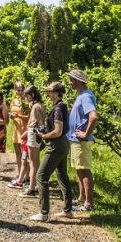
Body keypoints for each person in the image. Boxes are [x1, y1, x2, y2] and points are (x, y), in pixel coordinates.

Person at [29, 81, 74, 222]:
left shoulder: (58, 108)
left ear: (56, 93)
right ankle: (68, 210)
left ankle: (44, 213)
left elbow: (57, 131)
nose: (47, 94)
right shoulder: (60, 106)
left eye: (49, 91)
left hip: (56, 145)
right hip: (63, 144)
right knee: (62, 176)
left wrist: (43, 135)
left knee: (41, 176)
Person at [65, 69, 98, 212]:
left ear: (78, 80)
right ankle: (81, 198)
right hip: (75, 139)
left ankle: (88, 204)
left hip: (81, 141)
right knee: (79, 169)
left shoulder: (86, 96)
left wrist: (85, 133)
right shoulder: (81, 95)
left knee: (84, 170)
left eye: (71, 80)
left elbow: (94, 116)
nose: (69, 82)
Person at [18, 85, 45, 198]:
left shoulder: (35, 107)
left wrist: (39, 133)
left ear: (32, 95)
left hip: (34, 134)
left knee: (33, 162)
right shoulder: (40, 105)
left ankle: (31, 188)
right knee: (35, 162)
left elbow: (39, 122)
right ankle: (36, 185)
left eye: (27, 96)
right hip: (35, 134)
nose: (26, 98)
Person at [8, 82, 30, 185]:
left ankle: (27, 175)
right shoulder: (14, 100)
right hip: (16, 128)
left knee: (25, 153)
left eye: (21, 89)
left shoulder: (27, 101)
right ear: (14, 90)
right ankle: (19, 172)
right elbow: (12, 112)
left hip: (24, 128)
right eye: (17, 89)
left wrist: (19, 116)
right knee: (17, 152)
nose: (19, 91)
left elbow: (30, 117)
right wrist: (12, 116)